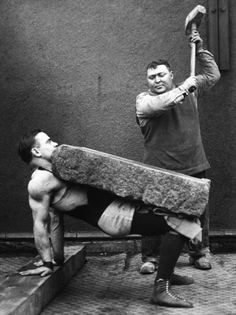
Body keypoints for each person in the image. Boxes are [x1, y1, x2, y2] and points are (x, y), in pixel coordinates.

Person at [17, 129, 207, 308]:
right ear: (36, 151)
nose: (55, 143)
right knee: (182, 224)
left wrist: (57, 260)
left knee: (184, 216)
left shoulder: (59, 168)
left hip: (120, 207)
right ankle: (160, 289)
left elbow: (56, 219)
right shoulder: (39, 183)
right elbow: (41, 224)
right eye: (49, 141)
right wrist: (47, 263)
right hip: (113, 217)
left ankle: (166, 273)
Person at [135, 30, 221, 274]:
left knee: (198, 214)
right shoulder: (143, 101)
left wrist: (201, 48)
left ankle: (199, 252)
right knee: (153, 214)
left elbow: (212, 75)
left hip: (193, 164)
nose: (157, 80)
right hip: (157, 169)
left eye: (161, 74)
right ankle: (151, 257)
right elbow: (163, 103)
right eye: (152, 77)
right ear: (147, 82)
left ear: (171, 75)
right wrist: (185, 87)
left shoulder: (191, 90)